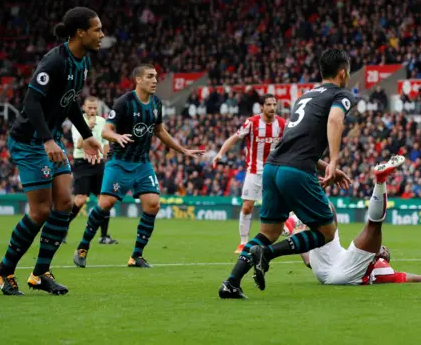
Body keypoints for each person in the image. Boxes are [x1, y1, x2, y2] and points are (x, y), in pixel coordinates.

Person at [219, 48, 354, 299]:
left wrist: (327, 166)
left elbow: (297, 142)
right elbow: (335, 120)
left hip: (272, 167)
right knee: (327, 231)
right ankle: (267, 254)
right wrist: (334, 160)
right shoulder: (341, 94)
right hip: (296, 170)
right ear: (343, 73)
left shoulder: (305, 97)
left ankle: (231, 283)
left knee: (268, 233)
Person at [0, 7, 104, 296]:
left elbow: (70, 101)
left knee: (64, 203)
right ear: (81, 33)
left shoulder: (83, 61)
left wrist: (88, 136)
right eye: (97, 29)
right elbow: (30, 103)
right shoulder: (54, 61)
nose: (102, 35)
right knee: (40, 210)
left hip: (48, 138)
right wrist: (47, 141)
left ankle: (40, 274)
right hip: (30, 140)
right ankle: (3, 271)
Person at [72, 64, 204, 269]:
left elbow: (160, 131)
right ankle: (82, 247)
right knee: (105, 204)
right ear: (138, 80)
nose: (155, 81)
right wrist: (117, 136)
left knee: (153, 204)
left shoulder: (157, 103)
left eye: (156, 77)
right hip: (119, 162)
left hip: (142, 163)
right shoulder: (124, 102)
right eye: (150, 77)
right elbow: (107, 131)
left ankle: (136, 256)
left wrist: (183, 150)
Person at [296, 155, 421, 285]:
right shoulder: (369, 262)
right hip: (328, 265)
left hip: (340, 273)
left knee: (374, 226)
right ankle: (307, 190)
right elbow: (308, 260)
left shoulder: (381, 267)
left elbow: (417, 278)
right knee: (329, 210)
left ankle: (380, 181)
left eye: (384, 250)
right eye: (385, 249)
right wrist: (298, 234)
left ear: (381, 258)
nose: (384, 248)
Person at [212, 94, 286, 253]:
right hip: (254, 171)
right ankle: (243, 242)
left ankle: (278, 233)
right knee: (246, 207)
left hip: (274, 170)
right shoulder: (252, 123)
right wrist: (220, 154)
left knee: (277, 206)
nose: (272, 108)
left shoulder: (281, 124)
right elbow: (234, 138)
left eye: (274, 104)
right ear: (262, 107)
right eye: (269, 105)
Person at [64, 96, 117, 244]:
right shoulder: (78, 121)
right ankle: (63, 229)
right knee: (80, 200)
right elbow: (79, 145)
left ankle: (104, 236)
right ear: (84, 108)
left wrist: (108, 160)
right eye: (90, 108)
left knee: (104, 200)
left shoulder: (102, 121)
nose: (93, 111)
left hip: (99, 163)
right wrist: (89, 127)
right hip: (82, 163)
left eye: (95, 108)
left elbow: (105, 143)